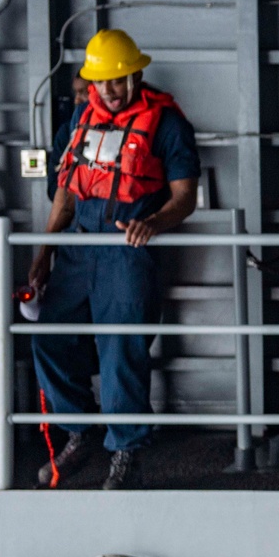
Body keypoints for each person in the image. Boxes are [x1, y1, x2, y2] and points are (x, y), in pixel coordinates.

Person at [30, 29, 201, 490]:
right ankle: (81, 431)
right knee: (46, 339)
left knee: (121, 352)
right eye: (102, 81)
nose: (110, 89)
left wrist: (155, 223)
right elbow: (65, 193)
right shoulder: (79, 120)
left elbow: (186, 197)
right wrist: (44, 252)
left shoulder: (167, 124)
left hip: (127, 251)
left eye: (119, 79)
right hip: (78, 249)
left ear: (136, 74)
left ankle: (127, 452)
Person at [47, 73, 90, 201]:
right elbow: (53, 188)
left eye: (83, 92)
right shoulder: (66, 132)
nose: (77, 100)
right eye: (76, 93)